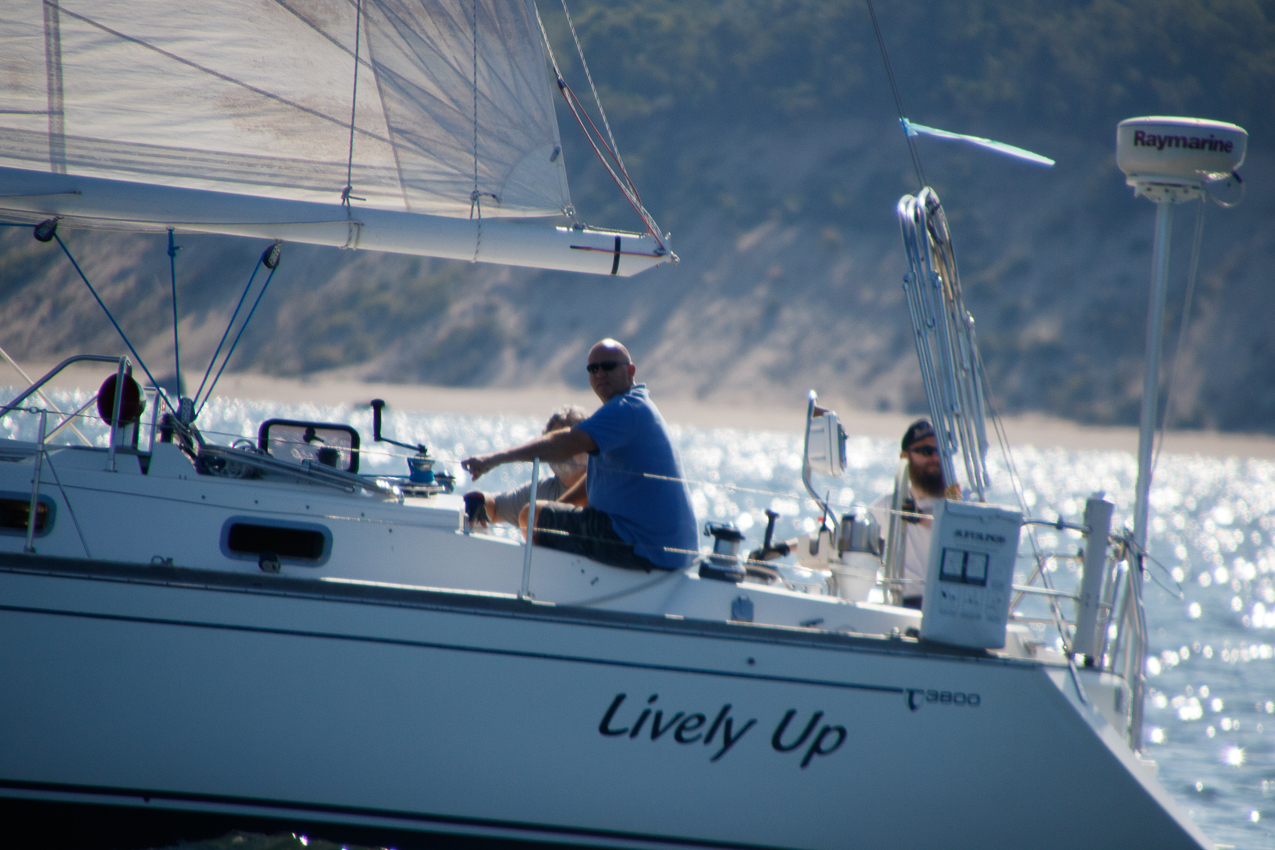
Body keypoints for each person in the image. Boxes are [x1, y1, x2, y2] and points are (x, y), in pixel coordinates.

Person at [461, 339, 698, 571]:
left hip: (642, 544)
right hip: (669, 550)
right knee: (540, 515)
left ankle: (541, 585)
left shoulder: (626, 409)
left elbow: (565, 442)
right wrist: (556, 508)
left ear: (631, 371)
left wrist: (494, 459)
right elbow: (594, 479)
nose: (600, 373)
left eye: (608, 366)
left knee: (529, 515)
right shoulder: (635, 407)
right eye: (593, 369)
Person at [463, 405, 588, 529]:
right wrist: (478, 500)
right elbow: (495, 508)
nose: (561, 452)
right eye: (554, 446)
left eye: (568, 445)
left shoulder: (598, 488)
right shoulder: (541, 491)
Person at [871, 418, 947, 609]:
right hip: (907, 606)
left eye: (940, 451)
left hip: (951, 606)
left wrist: (919, 518)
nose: (935, 457)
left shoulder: (962, 502)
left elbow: (964, 529)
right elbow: (851, 533)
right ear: (905, 457)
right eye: (926, 451)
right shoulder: (890, 505)